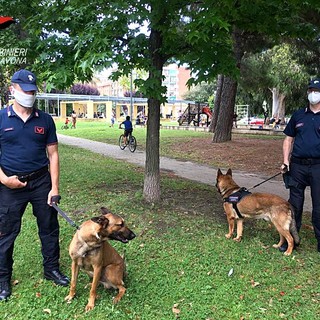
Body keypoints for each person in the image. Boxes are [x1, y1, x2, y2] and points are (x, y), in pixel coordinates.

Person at [0, 69, 69, 301]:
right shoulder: (1, 118)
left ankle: (51, 270)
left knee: (49, 228)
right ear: (13, 90)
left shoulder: (45, 120)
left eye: (32, 91)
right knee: (6, 233)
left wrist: (55, 187)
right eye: (25, 91)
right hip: (10, 182)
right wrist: (3, 179)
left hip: (41, 181)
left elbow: (54, 155)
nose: (30, 95)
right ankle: (3, 279)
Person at [280, 78, 320, 253]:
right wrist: (286, 161)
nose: (313, 93)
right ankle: (292, 241)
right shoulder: (298, 115)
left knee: (319, 205)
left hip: (318, 167)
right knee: (294, 205)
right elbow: (288, 140)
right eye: (310, 90)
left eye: (316, 90)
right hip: (297, 167)